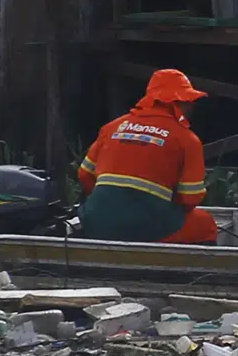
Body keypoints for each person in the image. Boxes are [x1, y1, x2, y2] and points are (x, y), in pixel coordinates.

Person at [74, 69, 219, 244]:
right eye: (188, 101)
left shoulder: (112, 128)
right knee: (206, 225)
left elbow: (84, 175)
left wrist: (108, 205)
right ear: (176, 102)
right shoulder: (187, 140)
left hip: (96, 221)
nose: (191, 106)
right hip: (148, 227)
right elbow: (190, 198)